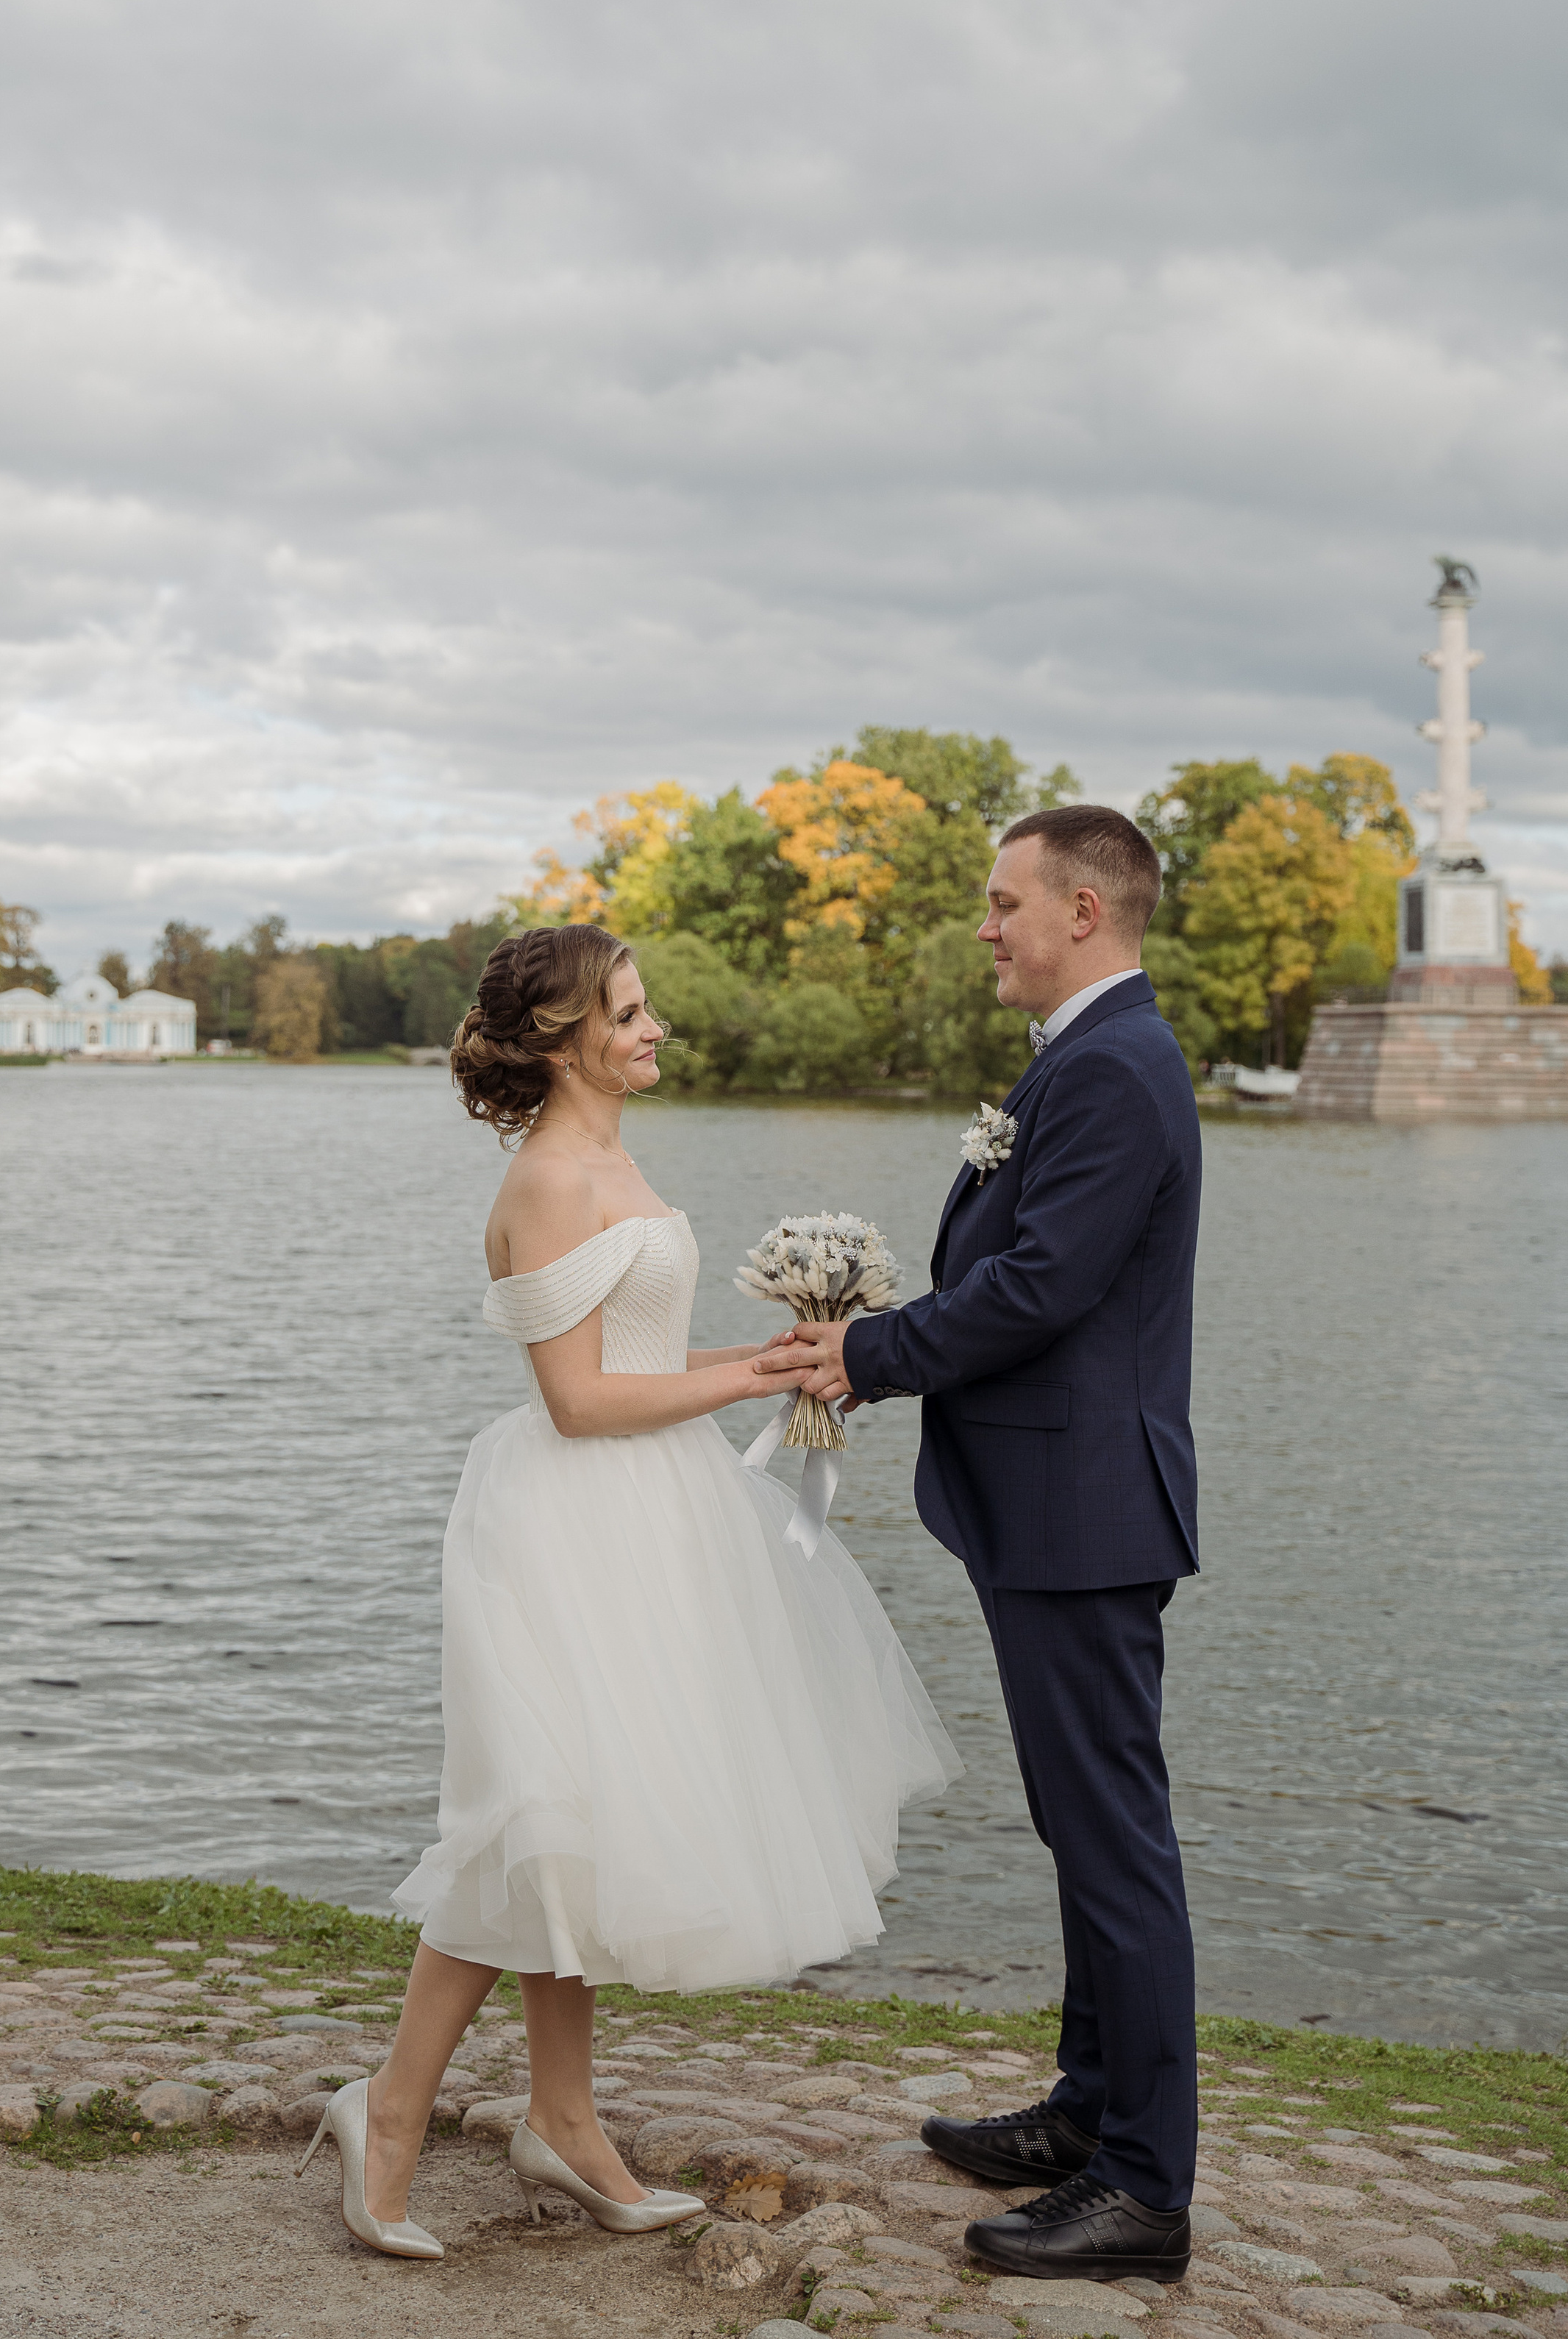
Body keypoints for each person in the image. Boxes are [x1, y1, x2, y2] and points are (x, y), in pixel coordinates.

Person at [301, 920, 957, 2260]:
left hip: (658, 1513)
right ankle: (389, 2115)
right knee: (528, 1820)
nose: (657, 1028)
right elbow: (581, 1399)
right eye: (633, 1012)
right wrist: (751, 1381)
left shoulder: (613, 1152)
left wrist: (758, 1354)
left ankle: (564, 2123)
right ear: (563, 1040)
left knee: (583, 1832)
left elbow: (639, 1348)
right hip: (568, 1522)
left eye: (650, 1008)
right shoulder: (548, 1180)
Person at [767, 804, 1202, 2288]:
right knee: (1080, 1829)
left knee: (1112, 1843)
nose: (984, 924)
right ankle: (1088, 2112)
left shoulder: (1116, 1070)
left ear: (1082, 909)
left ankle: (1140, 2189)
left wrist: (860, 1352)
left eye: (1003, 901)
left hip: (1083, 1510)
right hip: (1056, 1501)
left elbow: (1035, 1289)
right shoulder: (1083, 1058)